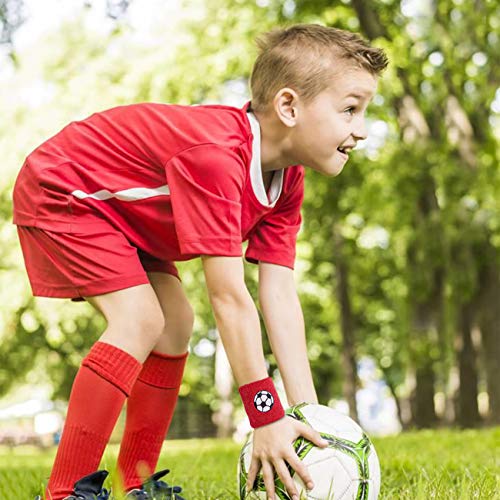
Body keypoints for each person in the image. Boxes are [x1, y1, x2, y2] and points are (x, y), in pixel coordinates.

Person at [12, 23, 388, 500]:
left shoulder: (288, 180)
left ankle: (137, 483)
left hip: (126, 215)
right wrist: (264, 415)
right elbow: (229, 297)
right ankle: (66, 492)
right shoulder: (218, 158)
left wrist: (304, 413)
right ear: (289, 106)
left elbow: (278, 294)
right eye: (350, 109)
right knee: (141, 318)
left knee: (175, 324)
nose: (362, 129)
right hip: (66, 189)